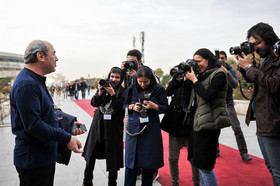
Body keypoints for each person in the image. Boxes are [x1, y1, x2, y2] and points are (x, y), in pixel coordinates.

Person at [10, 40, 84, 186]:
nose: (57, 58)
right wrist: (67, 138)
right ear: (41, 56)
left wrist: (68, 124)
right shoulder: (27, 84)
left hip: (43, 158)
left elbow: (48, 111)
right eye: (54, 53)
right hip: (34, 161)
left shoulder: (35, 81)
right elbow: (34, 125)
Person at [237, 22, 280, 185]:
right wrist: (243, 67)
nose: (255, 48)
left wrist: (248, 67)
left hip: (274, 122)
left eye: (257, 43)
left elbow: (274, 85)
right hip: (263, 122)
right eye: (252, 44)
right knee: (271, 168)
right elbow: (255, 79)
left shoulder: (278, 59)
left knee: (277, 171)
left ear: (269, 39)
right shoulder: (264, 61)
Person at [186, 48, 231, 186]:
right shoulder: (202, 75)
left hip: (210, 125)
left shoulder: (219, 75)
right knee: (199, 164)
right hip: (198, 123)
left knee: (206, 167)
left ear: (208, 59)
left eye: (199, 61)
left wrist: (194, 80)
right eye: (195, 61)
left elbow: (208, 96)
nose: (197, 64)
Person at [124, 66, 168, 186]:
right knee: (130, 164)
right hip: (133, 128)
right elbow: (123, 104)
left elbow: (166, 107)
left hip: (150, 129)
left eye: (146, 82)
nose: (143, 84)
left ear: (151, 79)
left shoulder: (158, 88)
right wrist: (132, 106)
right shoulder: (132, 87)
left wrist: (155, 106)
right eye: (140, 81)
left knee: (148, 164)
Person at [82, 67, 125, 186]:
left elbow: (120, 111)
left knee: (113, 157)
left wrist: (113, 94)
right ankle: (87, 181)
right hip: (98, 124)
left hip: (113, 127)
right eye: (112, 76)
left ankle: (112, 182)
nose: (114, 79)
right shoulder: (104, 86)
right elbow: (94, 103)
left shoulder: (123, 91)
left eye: (117, 77)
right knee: (91, 154)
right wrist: (100, 91)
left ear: (121, 79)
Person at [161, 75, 200, 186]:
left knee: (193, 158)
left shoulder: (196, 82)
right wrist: (175, 79)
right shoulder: (177, 82)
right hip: (175, 125)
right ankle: (175, 183)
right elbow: (167, 92)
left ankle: (197, 183)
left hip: (190, 126)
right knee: (172, 158)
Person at [217, 50, 252, 161]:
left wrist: (226, 73)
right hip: (216, 103)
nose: (221, 60)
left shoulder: (231, 70)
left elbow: (235, 84)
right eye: (219, 58)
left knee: (236, 128)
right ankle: (215, 150)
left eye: (223, 58)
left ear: (226, 59)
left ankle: (243, 152)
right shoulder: (213, 69)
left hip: (228, 103)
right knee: (215, 129)